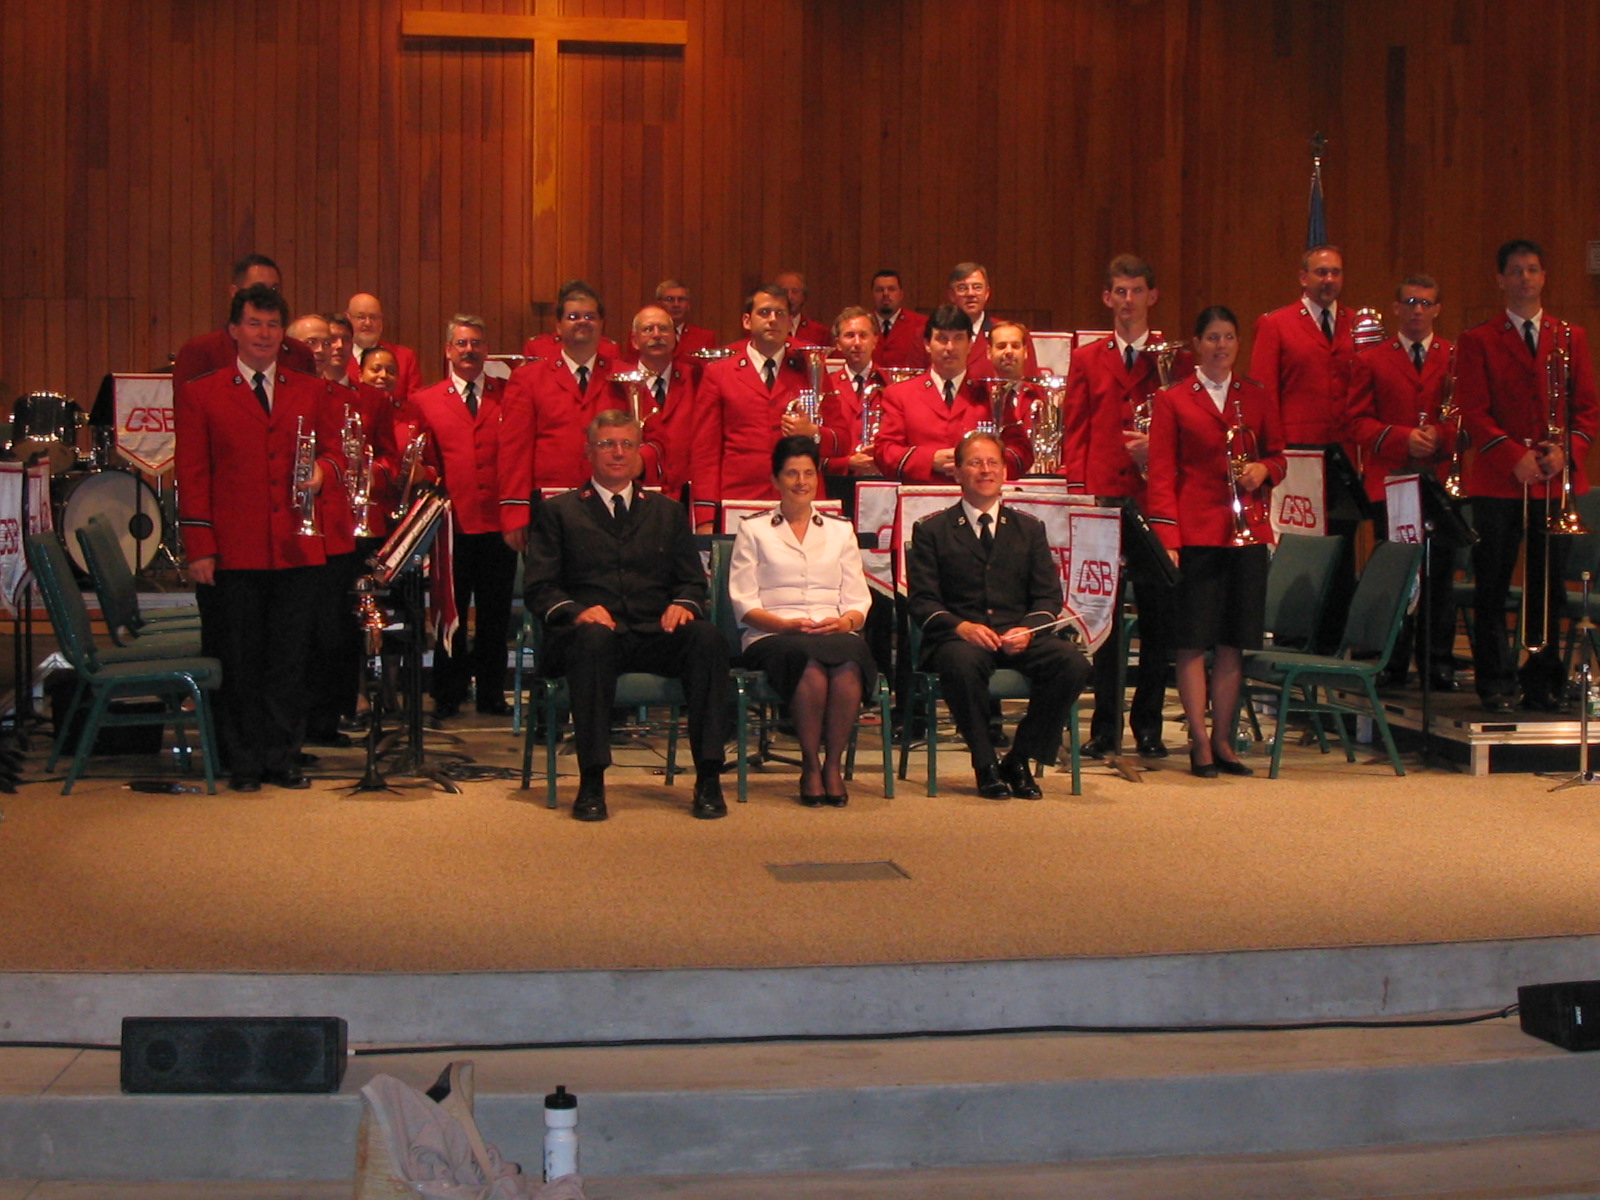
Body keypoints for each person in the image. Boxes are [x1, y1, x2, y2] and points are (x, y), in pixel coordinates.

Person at [174, 283, 344, 791]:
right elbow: (193, 475)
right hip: (232, 551)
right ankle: (243, 761)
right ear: (234, 330)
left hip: (296, 548)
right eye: (254, 324)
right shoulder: (202, 392)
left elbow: (335, 451)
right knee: (240, 661)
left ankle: (281, 756)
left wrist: (323, 471)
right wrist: (200, 547)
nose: (264, 334)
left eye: (272, 325)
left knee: (289, 661)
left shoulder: (309, 389)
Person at [525, 411, 730, 822]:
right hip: (591, 638)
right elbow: (540, 588)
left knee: (706, 638)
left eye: (626, 444)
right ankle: (592, 780)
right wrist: (578, 612)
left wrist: (683, 604)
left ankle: (709, 776)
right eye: (607, 444)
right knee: (593, 640)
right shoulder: (559, 511)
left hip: (655, 632)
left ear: (639, 452)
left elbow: (692, 583)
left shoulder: (667, 512)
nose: (617, 453)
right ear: (589, 452)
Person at [1456, 239, 1599, 714]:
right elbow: (1473, 411)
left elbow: (1587, 409)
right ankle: (1495, 682)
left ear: (1544, 277)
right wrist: (1512, 455)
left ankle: (1543, 680)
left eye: (1533, 270)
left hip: (1555, 482)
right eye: (1516, 271)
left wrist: (1566, 452)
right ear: (1501, 280)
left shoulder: (1570, 335)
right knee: (1492, 585)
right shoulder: (1478, 340)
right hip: (1499, 482)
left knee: (1549, 587)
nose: (1525, 278)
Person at [906, 431, 1090, 799]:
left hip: (1017, 636)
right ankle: (985, 764)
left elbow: (1048, 597)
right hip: (960, 638)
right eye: (975, 463)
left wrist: (1028, 630)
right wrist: (962, 627)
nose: (985, 470)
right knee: (961, 664)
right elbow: (923, 601)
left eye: (993, 463)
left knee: (1073, 664)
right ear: (957, 473)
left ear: (1005, 472)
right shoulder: (932, 530)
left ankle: (1019, 758)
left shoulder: (1029, 528)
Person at [1147, 306, 1286, 778]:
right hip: (1197, 534)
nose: (1220, 346)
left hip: (1246, 534)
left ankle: (1224, 739)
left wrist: (1264, 470)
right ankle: (1199, 741)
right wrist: (1168, 538)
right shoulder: (1173, 399)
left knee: (1233, 642)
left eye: (1228, 337)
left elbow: (1279, 455)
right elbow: (1161, 474)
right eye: (1212, 338)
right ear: (1196, 344)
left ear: (1238, 343)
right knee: (1192, 642)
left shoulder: (1257, 396)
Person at [1065, 254, 1191, 759]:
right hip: (1102, 503)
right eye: (1119, 291)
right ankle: (1104, 728)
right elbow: (1076, 431)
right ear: (1107, 298)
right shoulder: (1086, 358)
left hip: (1154, 502)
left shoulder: (1174, 358)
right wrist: (1079, 497)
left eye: (1137, 291)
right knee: (1105, 620)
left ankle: (1149, 726)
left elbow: (1188, 432)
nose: (1128, 300)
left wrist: (1156, 450)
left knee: (1159, 617)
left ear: (1152, 297)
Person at [729, 436, 875, 806]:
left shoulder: (840, 529)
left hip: (832, 629)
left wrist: (845, 623)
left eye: (808, 473)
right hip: (772, 633)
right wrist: (783, 625)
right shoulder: (754, 529)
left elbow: (858, 599)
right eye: (791, 473)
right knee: (809, 666)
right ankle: (810, 764)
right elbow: (743, 602)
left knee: (848, 663)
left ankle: (833, 765)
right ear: (775, 480)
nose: (801, 481)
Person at [1344, 274, 1460, 691]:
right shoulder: (1371, 359)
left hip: (1438, 480)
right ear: (1395, 308)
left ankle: (1436, 663)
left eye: (1426, 303)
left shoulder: (1454, 356)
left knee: (1439, 574)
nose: (1418, 310)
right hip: (1389, 481)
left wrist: (1440, 437)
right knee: (1396, 574)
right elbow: (1357, 422)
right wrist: (1400, 438)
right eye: (1410, 302)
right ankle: (1391, 660)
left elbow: (1466, 418)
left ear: (1438, 309)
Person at [1249, 244, 1360, 647]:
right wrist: (1272, 454)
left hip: (1343, 458)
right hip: (1296, 458)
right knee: (1298, 553)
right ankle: (1291, 642)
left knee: (1342, 551)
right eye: (1321, 272)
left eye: (1335, 272)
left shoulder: (1357, 323)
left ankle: (1333, 646)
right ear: (1303, 277)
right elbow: (1263, 392)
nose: (1329, 280)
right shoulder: (1276, 324)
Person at [410, 314, 517, 720]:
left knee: (495, 615)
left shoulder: (509, 395)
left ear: (486, 350)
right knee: (449, 613)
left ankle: (492, 693)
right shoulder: (425, 400)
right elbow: (423, 462)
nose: (469, 350)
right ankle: (448, 692)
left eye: (476, 343)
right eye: (461, 343)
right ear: (448, 350)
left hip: (499, 525)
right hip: (451, 527)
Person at [689, 283, 847, 532]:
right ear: (747, 321)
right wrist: (706, 517)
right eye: (764, 312)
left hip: (801, 501)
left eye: (780, 313)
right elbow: (705, 452)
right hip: (740, 500)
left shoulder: (811, 366)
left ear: (790, 321)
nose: (773, 319)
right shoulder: (719, 373)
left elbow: (843, 439)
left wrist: (813, 433)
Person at [499, 281, 627, 549]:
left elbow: (648, 437)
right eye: (573, 316)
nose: (582, 322)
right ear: (558, 326)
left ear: (602, 324)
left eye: (590, 316)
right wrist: (515, 509)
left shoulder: (626, 377)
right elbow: (514, 449)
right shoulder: (528, 379)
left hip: (612, 501)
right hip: (550, 504)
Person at [873, 305, 1031, 482]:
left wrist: (984, 465)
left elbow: (1022, 451)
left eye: (958, 338)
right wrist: (929, 460)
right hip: (921, 494)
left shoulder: (993, 394)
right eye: (942, 338)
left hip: (978, 495)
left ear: (970, 344)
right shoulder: (900, 395)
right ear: (927, 344)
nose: (950, 347)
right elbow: (884, 451)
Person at [172, 254, 316, 401]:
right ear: (235, 292)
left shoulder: (299, 353)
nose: (266, 295)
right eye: (258, 288)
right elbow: (187, 407)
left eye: (274, 289)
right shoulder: (200, 351)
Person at [624, 305, 696, 498]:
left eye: (663, 329)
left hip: (686, 492)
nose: (657, 335)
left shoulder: (696, 378)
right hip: (636, 492)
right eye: (648, 329)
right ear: (634, 341)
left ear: (675, 338)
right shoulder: (621, 383)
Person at [820, 306, 885, 479]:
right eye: (849, 335)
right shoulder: (826, 385)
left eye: (863, 335)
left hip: (880, 478)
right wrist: (846, 462)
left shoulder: (890, 384)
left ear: (875, 340)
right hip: (837, 479)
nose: (857, 343)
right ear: (838, 343)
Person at [946, 261, 1037, 378]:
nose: (970, 293)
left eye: (977, 287)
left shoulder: (1014, 334)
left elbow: (1029, 383)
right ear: (951, 295)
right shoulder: (933, 335)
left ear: (987, 293)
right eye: (962, 288)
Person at [344, 293, 423, 399]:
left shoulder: (405, 357)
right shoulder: (337, 357)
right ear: (348, 318)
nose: (367, 323)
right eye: (361, 317)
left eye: (373, 317)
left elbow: (415, 402)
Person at [869, 269, 928, 371]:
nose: (885, 294)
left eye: (891, 289)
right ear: (872, 294)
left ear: (901, 294)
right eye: (879, 290)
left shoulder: (922, 324)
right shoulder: (862, 324)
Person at [655, 279, 717, 358]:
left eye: (681, 299)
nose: (676, 304)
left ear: (688, 305)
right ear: (659, 304)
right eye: (670, 299)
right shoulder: (646, 336)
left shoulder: (705, 337)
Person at [776, 270, 832, 346]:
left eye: (795, 291)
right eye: (784, 291)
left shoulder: (820, 332)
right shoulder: (767, 328)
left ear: (804, 296)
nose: (789, 297)